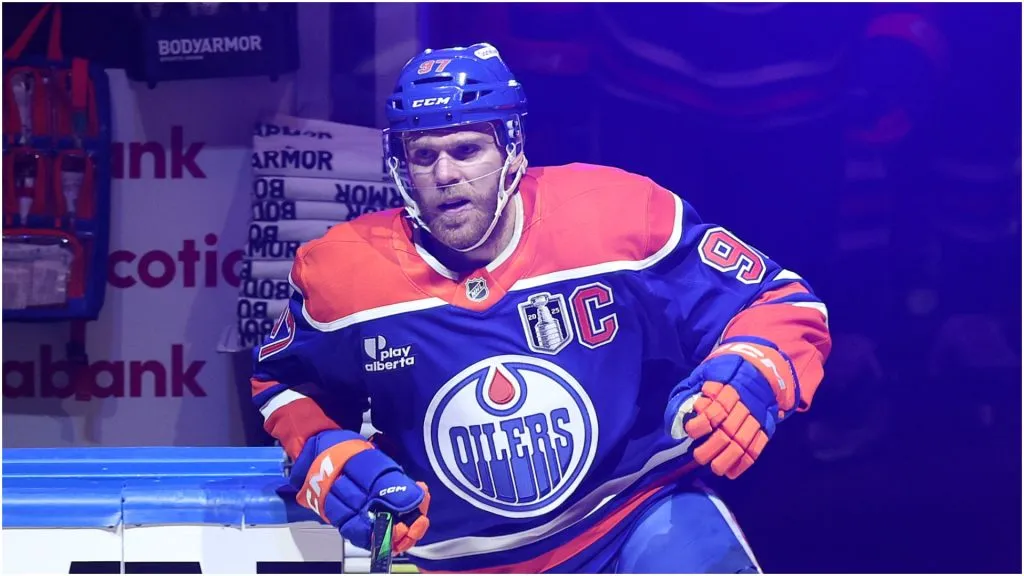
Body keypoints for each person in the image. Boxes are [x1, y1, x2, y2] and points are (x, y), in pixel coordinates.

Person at [250, 43, 831, 574]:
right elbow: (281, 382)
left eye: (467, 148)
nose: (445, 174)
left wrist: (757, 365)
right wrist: (327, 450)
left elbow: (776, 299)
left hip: (636, 520)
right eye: (423, 155)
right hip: (452, 559)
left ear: (512, 148)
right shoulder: (342, 274)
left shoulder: (621, 216)